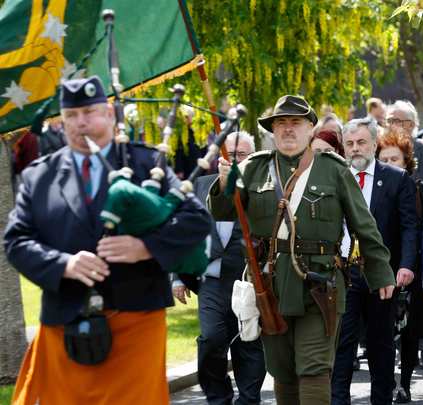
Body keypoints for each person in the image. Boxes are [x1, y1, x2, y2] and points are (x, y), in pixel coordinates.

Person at [4, 76, 211, 405]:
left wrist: (144, 248)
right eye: (71, 115)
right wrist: (64, 264)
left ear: (110, 114)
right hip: (64, 321)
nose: (80, 122)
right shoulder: (39, 175)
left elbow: (195, 219)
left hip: (136, 320)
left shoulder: (146, 163)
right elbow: (16, 241)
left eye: (89, 112)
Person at [210, 95, 395, 405]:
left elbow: (364, 224)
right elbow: (224, 212)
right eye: (281, 123)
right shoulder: (254, 167)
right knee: (282, 370)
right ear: (272, 131)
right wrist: (225, 183)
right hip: (270, 285)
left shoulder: (333, 169)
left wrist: (380, 270)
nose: (288, 130)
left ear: (311, 128)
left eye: (296, 123)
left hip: (319, 285)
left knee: (313, 367)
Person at [173, 131, 266, 405]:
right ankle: (218, 396)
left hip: (249, 280)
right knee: (212, 339)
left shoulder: (262, 190)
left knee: (248, 343)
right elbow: (183, 233)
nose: (233, 160)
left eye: (241, 155)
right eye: (229, 154)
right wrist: (177, 276)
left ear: (253, 158)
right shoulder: (200, 186)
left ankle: (249, 399)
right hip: (211, 279)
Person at [331, 118, 418, 405]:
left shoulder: (396, 178)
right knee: (342, 344)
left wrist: (405, 265)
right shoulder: (334, 176)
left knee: (380, 345)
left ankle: (381, 399)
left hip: (382, 275)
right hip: (342, 273)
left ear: (373, 144)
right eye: (350, 144)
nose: (355, 149)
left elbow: (409, 227)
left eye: (361, 143)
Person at [377, 129, 423, 403]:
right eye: (384, 159)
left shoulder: (418, 189)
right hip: (380, 264)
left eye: (395, 159)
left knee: (410, 329)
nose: (389, 164)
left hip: (410, 264)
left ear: (406, 161)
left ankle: (405, 382)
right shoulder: (370, 188)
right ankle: (387, 381)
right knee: (383, 329)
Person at [386, 100, 423, 190]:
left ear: (411, 125)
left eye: (396, 121)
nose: (390, 126)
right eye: (388, 121)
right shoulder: (380, 150)